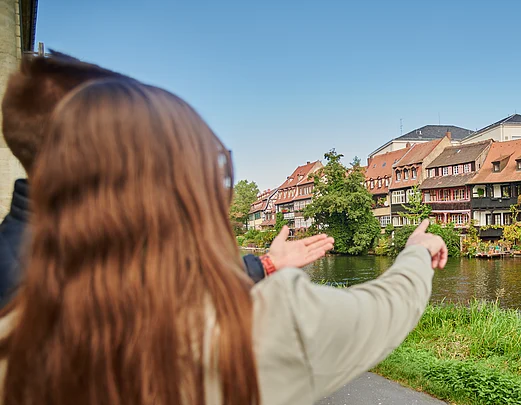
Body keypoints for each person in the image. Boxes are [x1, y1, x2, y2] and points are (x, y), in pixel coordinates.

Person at [0, 78, 446, 405]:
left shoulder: (16, 335)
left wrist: (269, 262)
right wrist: (416, 252)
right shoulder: (271, 322)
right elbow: (386, 307)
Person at [0, 51, 331, 305]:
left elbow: (181, 287)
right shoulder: (26, 274)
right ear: (89, 150)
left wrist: (269, 263)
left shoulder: (83, 233)